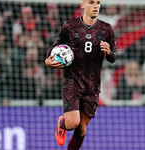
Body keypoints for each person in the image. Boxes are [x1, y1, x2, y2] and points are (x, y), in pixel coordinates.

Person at [45, 0, 117, 149]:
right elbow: (55, 46)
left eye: (98, 2)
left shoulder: (106, 29)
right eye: (91, 2)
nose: (96, 6)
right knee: (72, 123)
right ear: (82, 5)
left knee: (82, 128)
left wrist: (109, 52)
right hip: (72, 81)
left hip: (92, 86)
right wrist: (48, 61)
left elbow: (113, 57)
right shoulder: (70, 27)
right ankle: (62, 123)